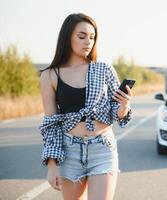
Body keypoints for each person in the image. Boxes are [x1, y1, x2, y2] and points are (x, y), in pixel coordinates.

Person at [39, 13, 133, 200]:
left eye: (92, 37)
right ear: (67, 37)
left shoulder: (104, 69)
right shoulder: (50, 75)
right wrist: (52, 165)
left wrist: (123, 108)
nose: (88, 42)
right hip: (69, 151)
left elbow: (117, 112)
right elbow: (51, 124)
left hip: (102, 148)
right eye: (82, 36)